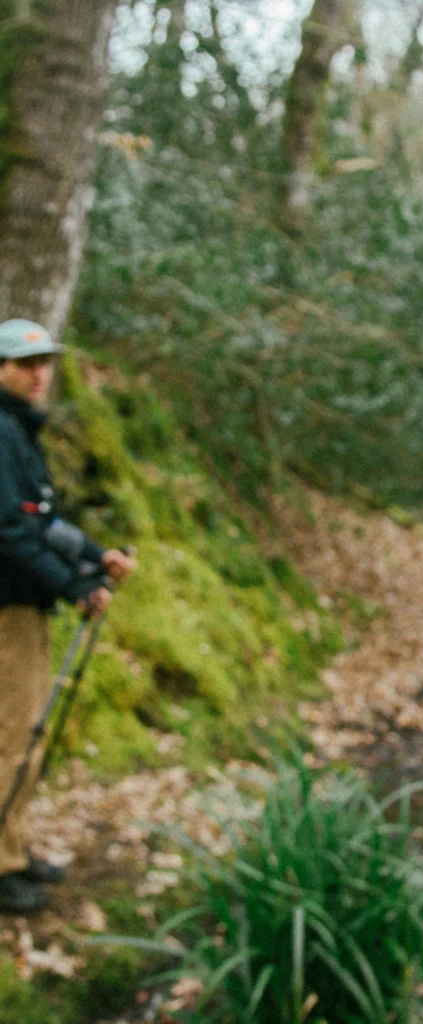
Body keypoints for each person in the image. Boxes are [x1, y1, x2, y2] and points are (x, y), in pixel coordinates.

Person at [0, 318, 135, 914]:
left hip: (26, 603)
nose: (38, 374)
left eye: (44, 362)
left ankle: (15, 846)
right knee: (12, 735)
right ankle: (2, 866)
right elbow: (9, 532)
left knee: (27, 730)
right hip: (8, 608)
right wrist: (76, 589)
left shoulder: (19, 433)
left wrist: (89, 557)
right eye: (25, 364)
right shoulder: (2, 433)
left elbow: (41, 520)